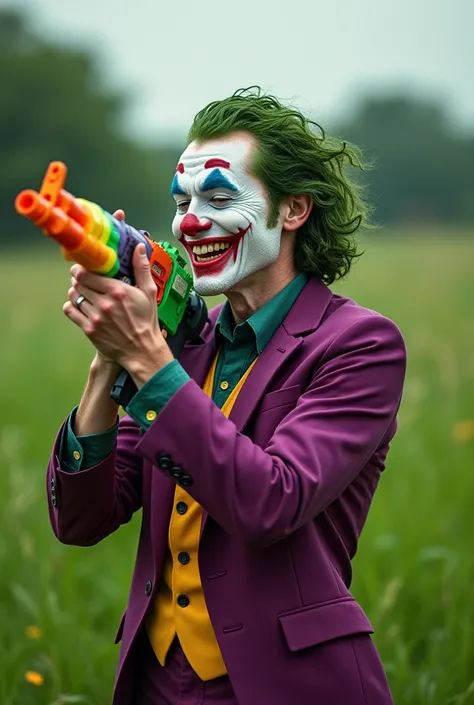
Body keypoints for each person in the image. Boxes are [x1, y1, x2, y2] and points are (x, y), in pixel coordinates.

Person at [46, 87, 407, 705]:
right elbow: (83, 519)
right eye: (181, 201)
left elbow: (271, 502)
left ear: (293, 210)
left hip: (287, 685)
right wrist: (109, 364)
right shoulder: (184, 345)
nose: (189, 221)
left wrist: (149, 361)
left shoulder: (361, 344)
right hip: (155, 681)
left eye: (218, 197)